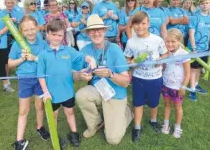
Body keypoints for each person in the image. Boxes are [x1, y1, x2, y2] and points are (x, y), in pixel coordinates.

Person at [74, 14, 133, 145]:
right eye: (92, 30)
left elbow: (126, 81)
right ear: (88, 33)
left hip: (116, 94)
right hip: (98, 90)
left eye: (99, 29)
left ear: (105, 31)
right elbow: (73, 73)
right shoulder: (84, 50)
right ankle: (97, 123)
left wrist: (110, 74)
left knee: (113, 139)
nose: (96, 33)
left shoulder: (115, 49)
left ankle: (127, 111)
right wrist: (81, 75)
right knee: (81, 95)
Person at [37, 19, 96, 148]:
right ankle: (55, 135)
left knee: (70, 113)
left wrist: (90, 59)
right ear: (47, 34)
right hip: (51, 94)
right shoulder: (42, 55)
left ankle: (74, 133)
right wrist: (46, 92)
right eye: (54, 34)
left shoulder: (68, 50)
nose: (57, 38)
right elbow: (40, 75)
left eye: (60, 35)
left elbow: (81, 57)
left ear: (64, 35)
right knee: (54, 116)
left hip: (68, 91)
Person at [124, 11, 169, 142]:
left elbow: (165, 54)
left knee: (154, 102)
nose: (140, 27)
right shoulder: (131, 41)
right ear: (132, 25)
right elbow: (127, 58)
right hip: (139, 78)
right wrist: (130, 63)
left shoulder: (157, 40)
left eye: (143, 23)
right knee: (138, 103)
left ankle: (153, 120)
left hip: (155, 78)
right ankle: (137, 127)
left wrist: (159, 60)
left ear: (148, 24)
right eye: (136, 24)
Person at [9, 15, 50, 150]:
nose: (30, 32)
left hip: (40, 79)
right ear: (21, 32)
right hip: (25, 80)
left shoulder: (43, 43)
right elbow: (9, 64)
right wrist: (21, 59)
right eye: (26, 30)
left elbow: (47, 62)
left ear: (38, 28)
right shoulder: (17, 44)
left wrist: (34, 58)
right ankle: (19, 140)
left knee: (39, 106)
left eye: (32, 29)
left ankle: (40, 127)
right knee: (23, 110)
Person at [161, 28, 190, 138]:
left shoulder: (184, 54)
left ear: (179, 41)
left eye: (173, 41)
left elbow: (187, 73)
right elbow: (164, 67)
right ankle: (166, 125)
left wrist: (183, 86)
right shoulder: (166, 53)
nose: (170, 44)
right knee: (167, 105)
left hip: (178, 87)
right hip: (166, 85)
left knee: (178, 107)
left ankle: (177, 127)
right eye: (167, 41)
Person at [188, 0, 210, 101]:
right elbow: (191, 33)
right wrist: (194, 49)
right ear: (200, 5)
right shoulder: (195, 17)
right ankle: (192, 90)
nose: (205, 5)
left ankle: (196, 85)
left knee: (199, 68)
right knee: (193, 69)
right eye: (203, 3)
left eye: (207, 3)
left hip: (205, 49)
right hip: (195, 49)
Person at [1, 0, 23, 87]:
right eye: (8, 2)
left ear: (14, 3)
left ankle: (19, 73)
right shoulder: (1, 13)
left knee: (18, 56)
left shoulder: (18, 12)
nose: (10, 4)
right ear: (5, 3)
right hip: (5, 38)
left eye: (11, 3)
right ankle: (7, 78)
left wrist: (16, 20)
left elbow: (21, 23)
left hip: (17, 37)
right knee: (6, 59)